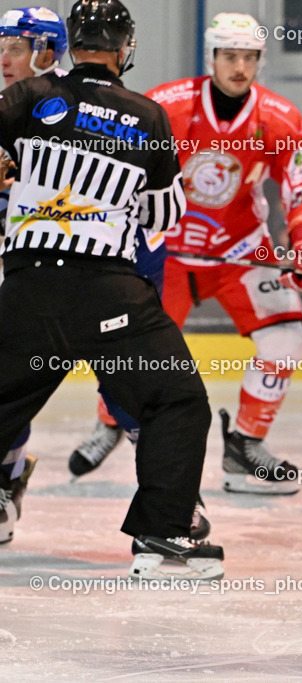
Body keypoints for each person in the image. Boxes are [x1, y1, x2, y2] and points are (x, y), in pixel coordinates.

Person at [0, 0, 223, 579]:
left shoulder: (29, 96)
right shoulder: (147, 115)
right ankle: (163, 536)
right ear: (125, 49)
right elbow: (162, 216)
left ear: (71, 46)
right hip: (108, 294)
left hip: (26, 288)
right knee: (175, 401)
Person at [69, 11, 302, 496]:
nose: (240, 67)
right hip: (167, 253)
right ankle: (111, 420)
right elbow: (119, 171)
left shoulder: (280, 117)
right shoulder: (167, 105)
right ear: (211, 57)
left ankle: (245, 444)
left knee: (287, 339)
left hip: (241, 252)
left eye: (249, 57)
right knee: (130, 349)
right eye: (230, 56)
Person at [0, 5, 66, 544]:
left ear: (46, 52)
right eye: (0, 47)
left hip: (59, 269)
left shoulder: (71, 108)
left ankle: (7, 478)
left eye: (16, 48)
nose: (4, 58)